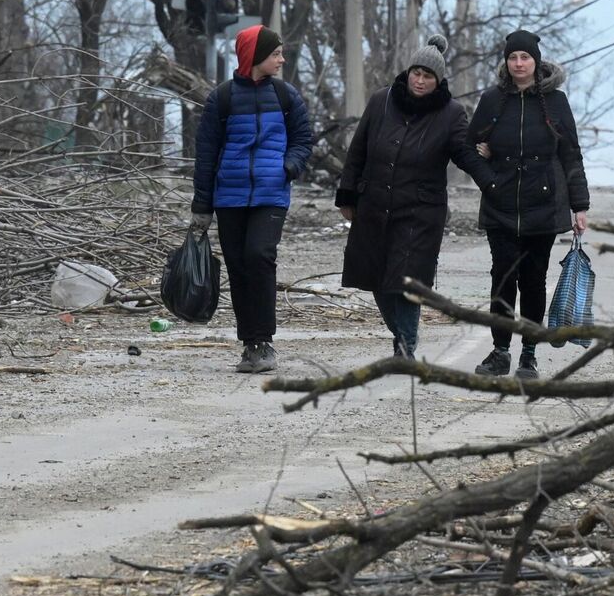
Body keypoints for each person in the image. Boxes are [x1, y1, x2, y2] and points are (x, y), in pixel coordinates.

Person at [336, 34, 496, 360]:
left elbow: (464, 154)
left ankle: (405, 347)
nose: (420, 81)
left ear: (439, 81)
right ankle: (402, 336)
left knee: (406, 283)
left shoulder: (451, 114)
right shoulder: (382, 101)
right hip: (375, 204)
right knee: (377, 278)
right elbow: (358, 151)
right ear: (408, 73)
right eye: (416, 73)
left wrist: (493, 183)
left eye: (428, 76)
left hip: (420, 212)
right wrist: (347, 196)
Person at [190, 24, 313, 373]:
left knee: (259, 255)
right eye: (276, 54)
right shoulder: (223, 98)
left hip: (271, 194)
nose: (281, 59)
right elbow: (206, 153)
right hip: (229, 196)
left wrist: (289, 166)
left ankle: (266, 340)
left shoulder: (286, 96)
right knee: (239, 266)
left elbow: (304, 138)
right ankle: (250, 345)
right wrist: (201, 206)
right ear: (256, 56)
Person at [467, 29, 589, 381]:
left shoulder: (555, 102)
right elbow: (466, 146)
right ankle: (500, 351)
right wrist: (486, 173)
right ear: (506, 62)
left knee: (534, 280)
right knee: (502, 276)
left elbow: (571, 155)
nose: (519, 63)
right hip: (499, 203)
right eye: (513, 58)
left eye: (525, 57)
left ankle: (529, 355)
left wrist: (579, 205)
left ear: (536, 61)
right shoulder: (493, 100)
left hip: (543, 204)